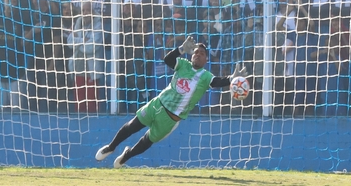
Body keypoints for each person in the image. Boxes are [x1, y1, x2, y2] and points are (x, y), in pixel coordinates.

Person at [95, 37, 246, 167]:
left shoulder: (206, 76)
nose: (198, 55)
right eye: (196, 52)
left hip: (171, 119)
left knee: (147, 141)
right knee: (133, 125)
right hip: (158, 104)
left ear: (206, 60)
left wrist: (231, 79)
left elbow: (217, 82)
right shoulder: (183, 64)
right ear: (191, 55)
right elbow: (167, 60)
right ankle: (111, 147)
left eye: (202, 54)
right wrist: (180, 49)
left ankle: (127, 155)